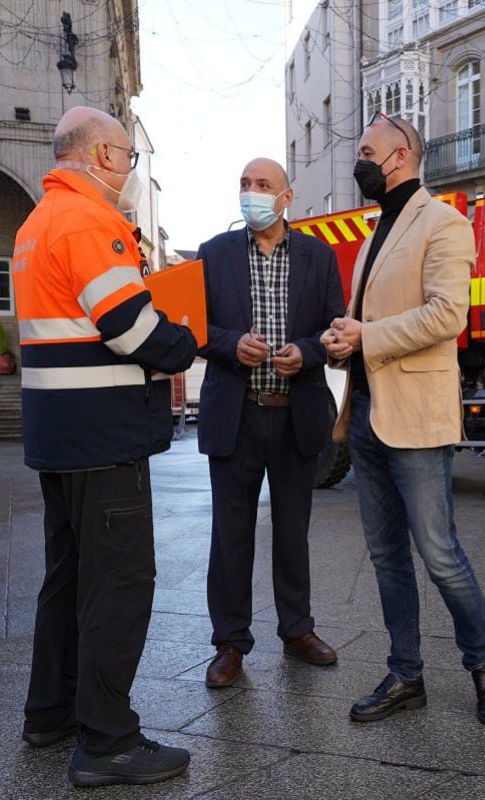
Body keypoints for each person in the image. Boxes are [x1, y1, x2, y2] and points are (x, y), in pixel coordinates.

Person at [13, 107, 197, 786]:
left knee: (67, 579)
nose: (129, 169)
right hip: (101, 432)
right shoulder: (90, 219)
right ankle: (108, 740)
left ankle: (51, 711)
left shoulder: (38, 221)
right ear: (96, 154)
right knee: (118, 583)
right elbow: (128, 328)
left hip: (58, 434)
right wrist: (185, 341)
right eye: (126, 155)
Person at [321, 114, 485, 725]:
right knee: (386, 556)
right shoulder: (377, 232)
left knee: (439, 553)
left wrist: (366, 336)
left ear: (400, 156)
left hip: (418, 418)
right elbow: (375, 319)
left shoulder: (444, 222)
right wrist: (343, 339)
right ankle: (406, 676)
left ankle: (484, 668)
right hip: (369, 410)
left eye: (366, 151)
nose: (360, 162)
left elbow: (447, 315)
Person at [196, 158, 345, 689]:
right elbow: (194, 329)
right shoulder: (213, 254)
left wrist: (305, 354)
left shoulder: (317, 256)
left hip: (294, 414)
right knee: (230, 536)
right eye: (244, 184)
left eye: (262, 185)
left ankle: (297, 631)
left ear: (286, 196)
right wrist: (230, 345)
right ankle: (230, 643)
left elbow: (334, 329)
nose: (250, 193)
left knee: (293, 533)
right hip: (235, 416)